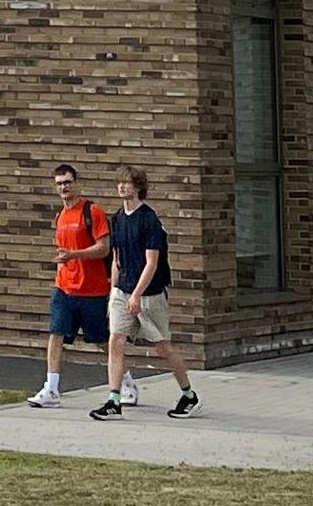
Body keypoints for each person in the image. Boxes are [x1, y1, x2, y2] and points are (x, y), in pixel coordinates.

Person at [92, 169, 200, 419]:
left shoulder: (149, 220)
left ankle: (188, 394)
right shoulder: (117, 219)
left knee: (162, 346)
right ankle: (114, 400)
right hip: (123, 290)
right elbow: (116, 259)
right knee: (115, 341)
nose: (121, 187)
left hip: (149, 294)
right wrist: (113, 292)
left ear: (138, 187)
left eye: (127, 183)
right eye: (119, 182)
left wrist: (137, 294)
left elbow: (152, 262)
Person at [29, 163, 114, 409]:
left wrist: (73, 255)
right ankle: (51, 388)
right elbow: (61, 254)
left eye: (67, 182)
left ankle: (125, 381)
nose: (64, 187)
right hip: (65, 288)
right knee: (56, 334)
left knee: (101, 341)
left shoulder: (92, 211)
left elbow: (103, 248)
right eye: (59, 184)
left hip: (92, 290)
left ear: (76, 182)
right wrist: (61, 275)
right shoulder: (61, 216)